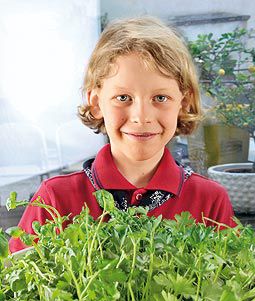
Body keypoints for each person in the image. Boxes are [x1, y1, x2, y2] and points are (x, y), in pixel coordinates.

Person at [9, 15, 236, 253]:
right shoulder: (54, 198)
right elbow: (13, 283)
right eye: (123, 98)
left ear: (184, 103)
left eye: (160, 98)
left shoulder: (210, 200)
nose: (141, 116)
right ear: (96, 103)